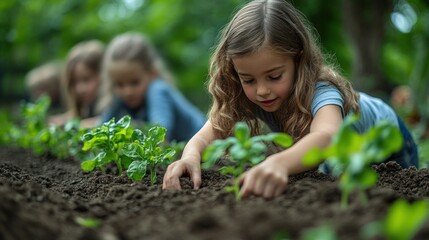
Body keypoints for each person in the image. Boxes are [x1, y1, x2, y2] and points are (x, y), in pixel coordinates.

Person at [162, 0, 419, 199]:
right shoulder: (248, 95)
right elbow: (209, 134)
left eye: (274, 76)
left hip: (388, 141)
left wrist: (278, 163)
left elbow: (327, 137)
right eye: (248, 79)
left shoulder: (322, 91)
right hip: (341, 154)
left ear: (298, 61)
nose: (262, 90)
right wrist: (190, 157)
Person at [98, 32, 206, 142]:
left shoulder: (158, 90)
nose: (127, 91)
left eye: (134, 82)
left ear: (152, 74)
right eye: (119, 84)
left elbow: (160, 135)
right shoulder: (119, 98)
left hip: (202, 141)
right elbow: (103, 128)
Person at [49, 40, 105, 128]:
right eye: (74, 82)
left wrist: (73, 125)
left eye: (86, 80)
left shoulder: (114, 105)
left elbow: (108, 120)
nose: (80, 89)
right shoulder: (87, 107)